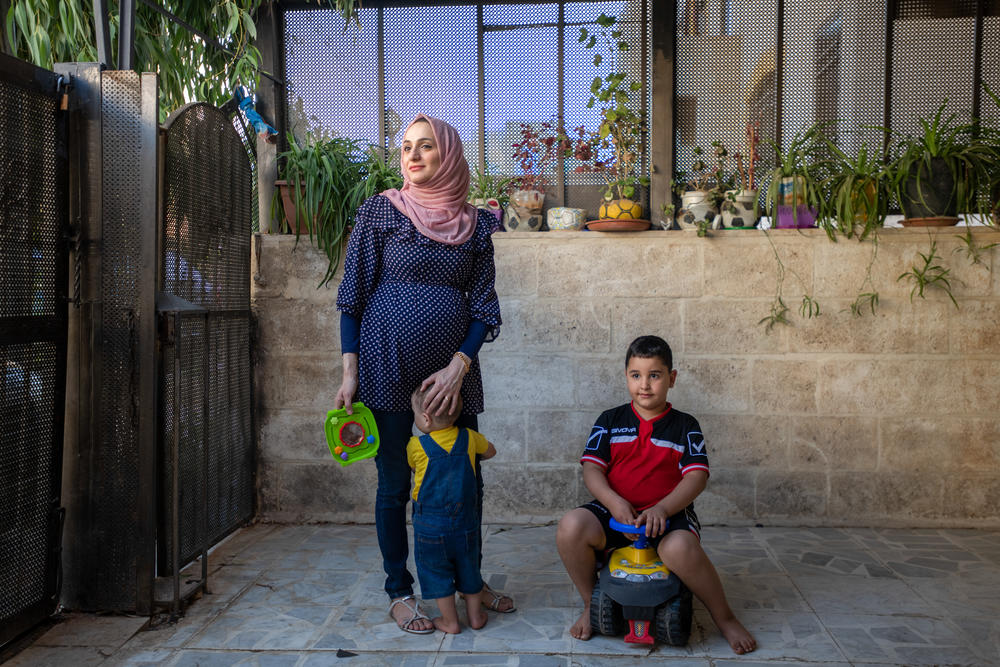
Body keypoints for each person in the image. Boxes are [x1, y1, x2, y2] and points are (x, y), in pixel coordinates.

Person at [334, 114, 513, 635]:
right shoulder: (379, 212)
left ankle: (470, 584)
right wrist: (350, 374)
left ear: (449, 154)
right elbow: (352, 298)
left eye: (425, 146)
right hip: (386, 366)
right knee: (394, 484)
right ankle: (400, 590)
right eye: (406, 146)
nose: (412, 155)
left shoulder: (477, 226)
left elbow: (484, 307)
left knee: (465, 482)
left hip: (452, 375)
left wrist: (459, 367)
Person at [556, 335, 757, 655]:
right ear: (626, 377)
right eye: (636, 375)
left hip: (668, 515)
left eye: (655, 375)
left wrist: (662, 509)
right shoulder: (610, 420)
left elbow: (697, 476)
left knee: (678, 548)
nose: (644, 384)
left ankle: (726, 617)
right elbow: (592, 470)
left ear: (671, 378)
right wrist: (614, 501)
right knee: (571, 526)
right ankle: (589, 602)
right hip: (616, 514)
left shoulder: (684, 425)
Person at [407, 387, 496, 633]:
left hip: (430, 526)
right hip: (465, 521)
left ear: (425, 418)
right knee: (469, 567)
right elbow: (491, 451)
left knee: (436, 571)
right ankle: (476, 616)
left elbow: (415, 468)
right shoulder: (469, 437)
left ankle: (450, 621)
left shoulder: (416, 445)